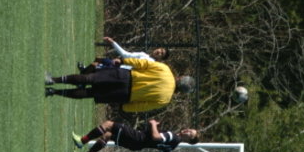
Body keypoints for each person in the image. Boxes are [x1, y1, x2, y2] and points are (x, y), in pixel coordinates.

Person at [44, 60, 194, 113]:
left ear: (180, 77)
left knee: (90, 78)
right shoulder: (165, 100)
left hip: (125, 76)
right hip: (124, 94)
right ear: (180, 92)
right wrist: (126, 108)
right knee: (89, 93)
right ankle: (54, 92)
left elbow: (142, 63)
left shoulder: (165, 70)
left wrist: (123, 61)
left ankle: (54, 80)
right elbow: (143, 106)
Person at [71, 118, 198, 152]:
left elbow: (156, 137)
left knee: (108, 124)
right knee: (108, 135)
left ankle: (82, 141)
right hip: (137, 145)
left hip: (137, 137)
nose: (187, 131)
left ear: (188, 141)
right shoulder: (174, 144)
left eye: (190, 134)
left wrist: (153, 124)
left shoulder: (173, 136)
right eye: (189, 130)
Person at [77, 36, 168, 74]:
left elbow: (132, 68)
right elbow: (125, 54)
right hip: (119, 64)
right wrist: (113, 42)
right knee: (98, 60)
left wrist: (122, 65)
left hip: (120, 70)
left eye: (161, 54)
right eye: (160, 50)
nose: (159, 52)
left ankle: (82, 78)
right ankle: (84, 73)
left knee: (96, 66)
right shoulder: (144, 54)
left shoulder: (150, 63)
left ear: (160, 59)